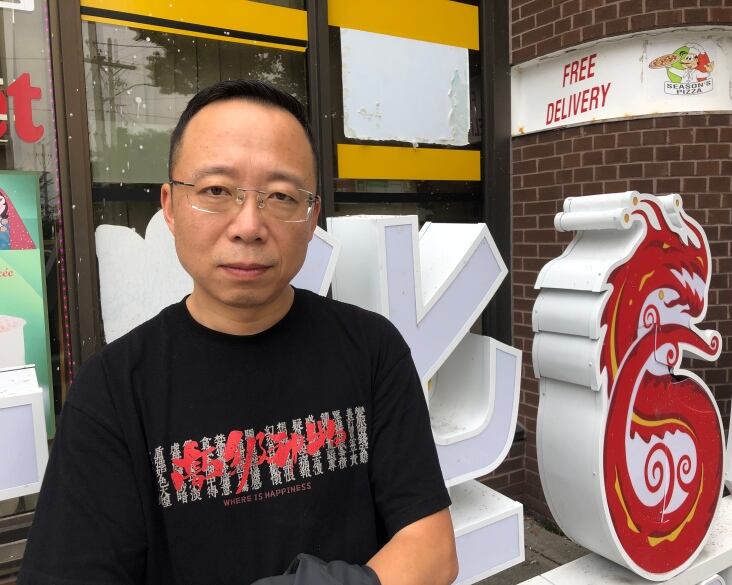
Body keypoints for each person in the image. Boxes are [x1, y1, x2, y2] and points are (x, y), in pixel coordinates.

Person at [18, 80, 458, 585]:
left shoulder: (372, 349)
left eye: (281, 196)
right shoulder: (113, 392)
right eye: (216, 191)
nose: (249, 224)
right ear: (170, 205)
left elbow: (432, 550)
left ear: (312, 214)